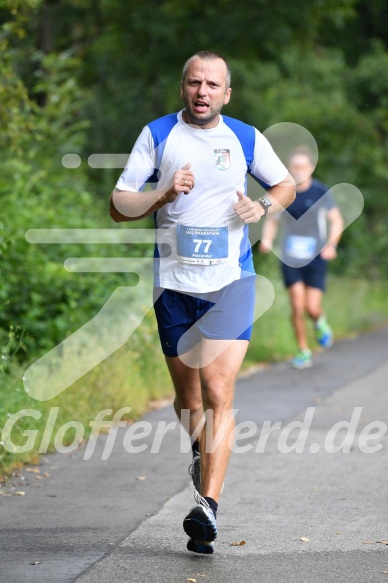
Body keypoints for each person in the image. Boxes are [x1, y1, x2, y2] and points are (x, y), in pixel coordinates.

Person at [110, 50, 295, 554]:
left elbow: (286, 184)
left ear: (226, 93)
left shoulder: (245, 137)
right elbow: (119, 203)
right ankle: (202, 453)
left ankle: (206, 507)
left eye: (213, 84)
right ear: (183, 87)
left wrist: (261, 205)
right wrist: (162, 196)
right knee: (190, 400)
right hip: (172, 285)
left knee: (217, 390)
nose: (202, 92)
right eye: (195, 82)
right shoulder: (157, 135)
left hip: (231, 281)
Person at [258, 147, 344, 369]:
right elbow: (272, 220)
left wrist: (332, 245)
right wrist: (267, 239)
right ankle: (303, 350)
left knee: (311, 307)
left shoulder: (321, 193)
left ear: (311, 167)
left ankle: (320, 322)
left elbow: (336, 220)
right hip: (290, 257)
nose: (298, 171)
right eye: (294, 167)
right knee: (297, 305)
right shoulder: (285, 193)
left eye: (302, 166)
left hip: (316, 257)